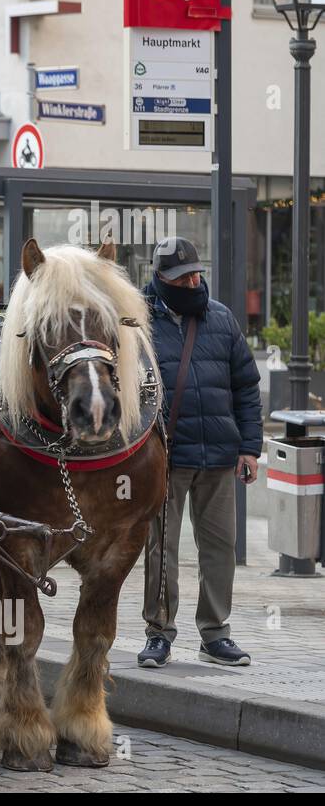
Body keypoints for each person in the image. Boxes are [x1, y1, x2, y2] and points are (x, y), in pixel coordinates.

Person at [138, 236, 262, 668]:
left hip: (219, 457)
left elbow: (246, 387)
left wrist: (249, 448)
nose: (191, 283)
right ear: (160, 279)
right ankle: (159, 632)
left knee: (220, 548)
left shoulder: (222, 320)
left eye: (194, 275)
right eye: (180, 277)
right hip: (166, 459)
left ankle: (215, 634)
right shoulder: (137, 323)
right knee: (162, 548)